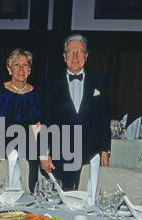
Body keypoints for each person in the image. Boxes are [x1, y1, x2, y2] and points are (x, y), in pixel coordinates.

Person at [39, 33, 111, 190]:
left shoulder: (100, 81)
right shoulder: (50, 84)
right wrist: (44, 153)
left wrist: (105, 150)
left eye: (79, 51)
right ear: (64, 56)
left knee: (88, 198)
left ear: (86, 55)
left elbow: (104, 119)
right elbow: (44, 121)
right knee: (59, 199)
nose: (75, 56)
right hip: (60, 154)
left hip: (90, 152)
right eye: (71, 52)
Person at [0, 48, 42, 192]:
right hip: (2, 146)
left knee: (29, 188)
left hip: (29, 149)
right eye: (16, 65)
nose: (21, 69)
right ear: (9, 69)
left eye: (25, 65)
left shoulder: (37, 94)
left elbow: (37, 127)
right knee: (2, 189)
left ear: (30, 69)